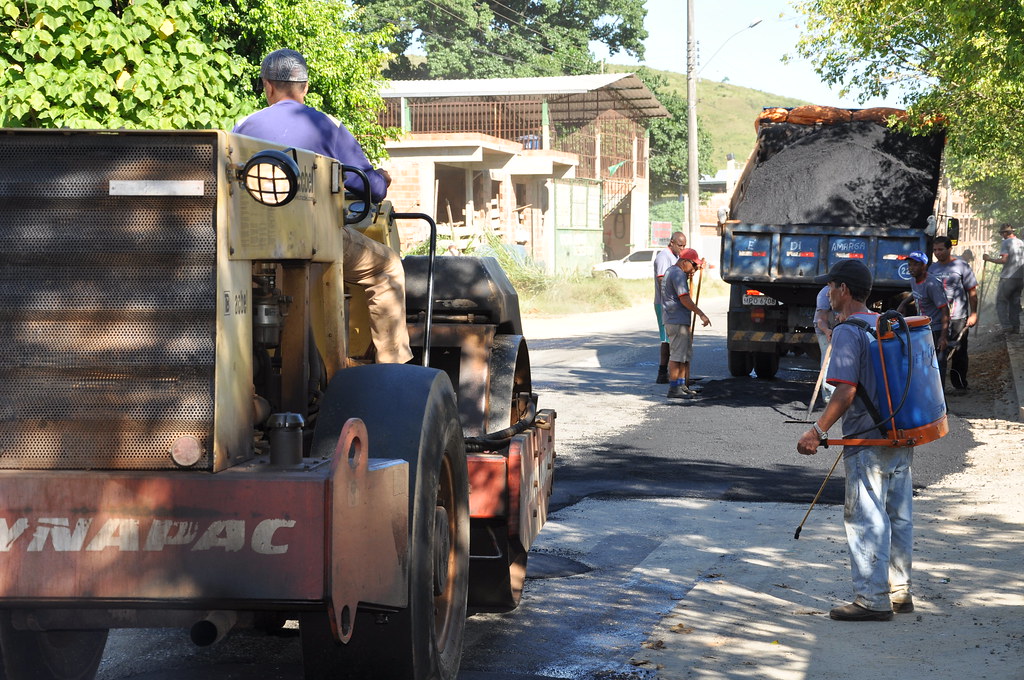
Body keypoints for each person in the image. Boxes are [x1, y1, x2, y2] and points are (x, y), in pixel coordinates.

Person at [234, 49, 411, 364]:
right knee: (387, 267)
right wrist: (380, 179)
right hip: (317, 240)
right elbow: (368, 186)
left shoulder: (243, 127)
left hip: (253, 245)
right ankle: (393, 367)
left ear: (267, 87)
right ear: (305, 88)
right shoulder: (327, 125)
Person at [797, 259, 914, 622]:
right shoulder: (883, 325)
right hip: (900, 434)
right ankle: (899, 592)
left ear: (844, 290)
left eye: (830, 286)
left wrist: (817, 431)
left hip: (866, 441)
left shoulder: (847, 331)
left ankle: (872, 601)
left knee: (866, 517)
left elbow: (845, 391)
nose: (827, 293)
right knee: (898, 517)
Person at [661, 248, 711, 399]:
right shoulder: (677, 274)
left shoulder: (674, 272)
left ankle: (682, 385)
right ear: (685, 262)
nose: (694, 268)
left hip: (677, 319)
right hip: (676, 321)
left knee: (683, 355)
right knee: (677, 356)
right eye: (693, 265)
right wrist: (701, 314)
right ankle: (674, 388)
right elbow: (684, 298)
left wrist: (690, 275)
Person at [930, 236, 978, 391]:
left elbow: (972, 292)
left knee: (959, 351)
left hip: (958, 316)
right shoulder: (932, 269)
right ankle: (937, 386)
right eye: (935, 250)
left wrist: (973, 314)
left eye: (941, 249)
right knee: (938, 351)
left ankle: (959, 384)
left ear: (949, 249)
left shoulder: (961, 266)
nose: (937, 253)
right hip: (937, 319)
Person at [897, 251, 950, 355]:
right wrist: (904, 303)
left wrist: (943, 337)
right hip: (923, 327)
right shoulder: (913, 280)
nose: (911, 268)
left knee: (936, 362)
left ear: (924, 266)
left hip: (935, 329)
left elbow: (945, 309)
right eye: (909, 264)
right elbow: (917, 293)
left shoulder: (932, 284)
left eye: (916, 264)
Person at [653, 231, 686, 383]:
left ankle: (678, 375)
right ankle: (663, 373)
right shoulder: (663, 257)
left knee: (671, 339)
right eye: (680, 245)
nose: (682, 248)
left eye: (684, 246)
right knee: (667, 340)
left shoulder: (675, 256)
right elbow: (662, 281)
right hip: (664, 303)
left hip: (673, 303)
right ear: (671, 242)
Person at [982, 223, 1024, 334]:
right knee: (1015, 303)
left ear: (1005, 233)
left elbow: (1004, 260)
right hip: (1020, 278)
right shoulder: (1021, 242)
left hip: (1008, 277)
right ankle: (1016, 327)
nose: (1002, 235)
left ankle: (1006, 326)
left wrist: (989, 259)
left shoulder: (1006, 242)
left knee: (1001, 301)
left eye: (1002, 233)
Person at [812, 285, 836, 403]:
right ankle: (828, 396)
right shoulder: (824, 293)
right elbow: (821, 319)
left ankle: (836, 394)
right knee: (828, 360)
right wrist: (827, 331)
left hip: (838, 328)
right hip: (824, 330)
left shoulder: (845, 290)